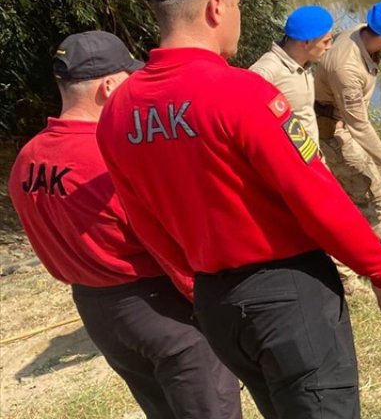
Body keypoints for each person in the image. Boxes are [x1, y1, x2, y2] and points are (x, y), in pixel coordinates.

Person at [97, 0, 381, 419]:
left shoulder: (117, 111)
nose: (239, 15)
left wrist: (197, 285)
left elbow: (146, 222)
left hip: (216, 302)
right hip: (288, 298)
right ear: (216, 7)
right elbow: (316, 196)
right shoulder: (243, 93)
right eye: (239, 3)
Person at [8, 31, 242, 419]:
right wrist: (210, 306)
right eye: (129, 78)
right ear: (108, 86)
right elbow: (168, 242)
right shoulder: (111, 153)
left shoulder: (28, 159)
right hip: (158, 309)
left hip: (97, 312)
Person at [313, 2, 381, 279]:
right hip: (333, 131)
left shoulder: (362, 32)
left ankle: (357, 253)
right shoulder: (347, 68)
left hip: (343, 122)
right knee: (375, 193)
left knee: (354, 194)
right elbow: (358, 125)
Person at [249, 5, 335, 144]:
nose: (330, 46)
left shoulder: (303, 64)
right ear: (306, 42)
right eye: (326, 41)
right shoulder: (267, 71)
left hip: (309, 157)